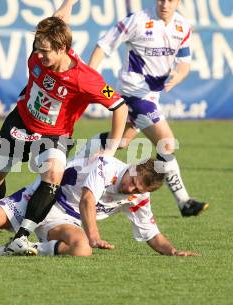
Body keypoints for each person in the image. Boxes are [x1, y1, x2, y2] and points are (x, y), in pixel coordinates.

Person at [0, 2, 128, 255]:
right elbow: (58, 18)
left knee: (54, 175)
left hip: (54, 135)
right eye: (37, 49)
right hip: (20, 122)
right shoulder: (41, 52)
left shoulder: (86, 79)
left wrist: (111, 149)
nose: (39, 55)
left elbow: (120, 106)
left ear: (62, 49)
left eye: (45, 51)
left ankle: (22, 236)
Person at [0, 153, 198, 257]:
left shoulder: (137, 196)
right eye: (132, 179)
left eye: (137, 188)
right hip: (38, 201)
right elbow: (87, 199)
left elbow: (152, 233)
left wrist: (172, 251)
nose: (129, 187)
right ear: (133, 168)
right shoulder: (108, 166)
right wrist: (95, 233)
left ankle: (18, 249)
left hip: (62, 222)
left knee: (80, 250)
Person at [61, 0, 208, 217]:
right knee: (166, 142)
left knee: (121, 141)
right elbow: (104, 44)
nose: (164, 4)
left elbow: (184, 63)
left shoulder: (182, 27)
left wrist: (179, 75)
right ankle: (184, 201)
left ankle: (72, 163)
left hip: (152, 96)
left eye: (170, 0)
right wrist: (89, 75)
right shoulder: (137, 20)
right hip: (133, 94)